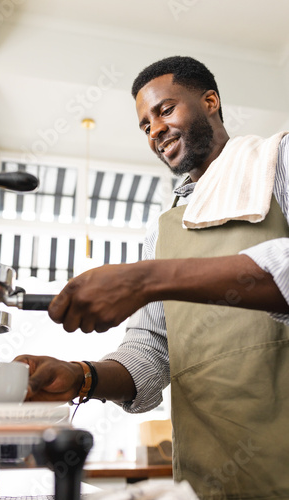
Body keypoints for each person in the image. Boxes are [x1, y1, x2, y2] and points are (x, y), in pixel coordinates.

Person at [16, 56, 289, 498]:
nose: (155, 131)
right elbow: (151, 350)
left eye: (165, 110)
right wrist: (80, 375)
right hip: (208, 477)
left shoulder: (279, 161)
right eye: (145, 126)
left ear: (211, 102)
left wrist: (147, 278)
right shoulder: (163, 230)